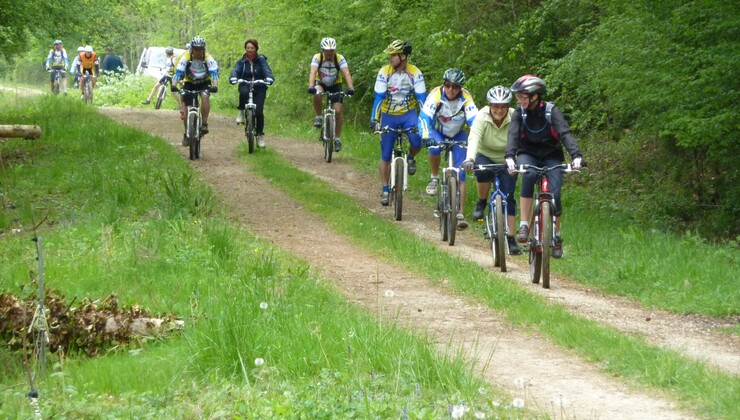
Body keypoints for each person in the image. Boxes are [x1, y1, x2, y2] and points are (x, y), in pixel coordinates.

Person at [505, 75, 583, 259]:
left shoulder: (551, 111)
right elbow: (513, 135)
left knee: (555, 194)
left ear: (535, 96)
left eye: (523, 97)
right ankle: (524, 224)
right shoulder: (519, 114)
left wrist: (576, 155)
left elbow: (565, 133)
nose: (520, 101)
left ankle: (556, 236)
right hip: (528, 153)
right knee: (529, 174)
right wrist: (509, 156)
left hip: (551, 155)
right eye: (518, 97)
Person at [461, 86, 521, 255]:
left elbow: (521, 139)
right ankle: (481, 202)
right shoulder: (482, 116)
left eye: (503, 106)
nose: (499, 110)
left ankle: (510, 238)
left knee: (509, 197)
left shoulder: (515, 116)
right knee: (481, 171)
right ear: (489, 105)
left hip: (507, 159)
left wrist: (522, 158)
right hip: (485, 154)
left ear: (508, 106)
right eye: (495, 106)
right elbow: (474, 138)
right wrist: (470, 158)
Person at [419, 68, 478, 230]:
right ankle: (435, 177)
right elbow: (424, 118)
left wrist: (476, 140)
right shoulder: (436, 95)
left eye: (455, 86)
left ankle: (459, 213)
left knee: (462, 171)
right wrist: (425, 136)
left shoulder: (466, 97)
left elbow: (475, 121)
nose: (451, 89)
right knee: (435, 148)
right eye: (447, 85)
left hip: (458, 134)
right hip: (437, 132)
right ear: (443, 84)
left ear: (460, 88)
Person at [371, 40, 426, 206]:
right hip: (388, 115)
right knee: (386, 154)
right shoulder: (384, 72)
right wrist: (374, 119)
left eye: (393, 55)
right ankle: (385, 189)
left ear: (403, 56)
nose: (390, 58)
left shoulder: (415, 73)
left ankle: (410, 157)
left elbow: (422, 99)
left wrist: (425, 121)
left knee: (418, 141)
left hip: (409, 114)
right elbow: (379, 98)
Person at [307, 37, 355, 153]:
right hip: (321, 83)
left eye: (332, 50)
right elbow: (313, 72)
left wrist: (350, 87)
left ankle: (337, 138)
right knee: (317, 93)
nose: (329, 53)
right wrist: (311, 85)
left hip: (335, 85)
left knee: (338, 111)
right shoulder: (317, 57)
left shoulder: (339, 58)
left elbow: (347, 73)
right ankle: (319, 117)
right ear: (323, 50)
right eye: (327, 51)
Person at [172, 36, 219, 145]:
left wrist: (215, 86)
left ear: (203, 49)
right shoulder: (186, 56)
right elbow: (178, 73)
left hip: (204, 81)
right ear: (192, 49)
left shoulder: (208, 57)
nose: (198, 51)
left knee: (205, 96)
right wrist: (174, 85)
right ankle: (186, 133)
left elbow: (214, 74)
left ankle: (204, 123)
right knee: (185, 106)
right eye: (196, 49)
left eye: (200, 49)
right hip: (189, 82)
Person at [229, 38, 274, 148]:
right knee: (243, 92)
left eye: (252, 48)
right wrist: (234, 77)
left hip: (259, 86)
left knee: (258, 112)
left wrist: (268, 78)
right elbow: (236, 70)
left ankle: (259, 135)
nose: (249, 50)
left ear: (256, 48)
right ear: (245, 49)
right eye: (248, 48)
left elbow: (266, 70)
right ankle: (241, 110)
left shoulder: (261, 60)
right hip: (245, 84)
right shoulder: (242, 61)